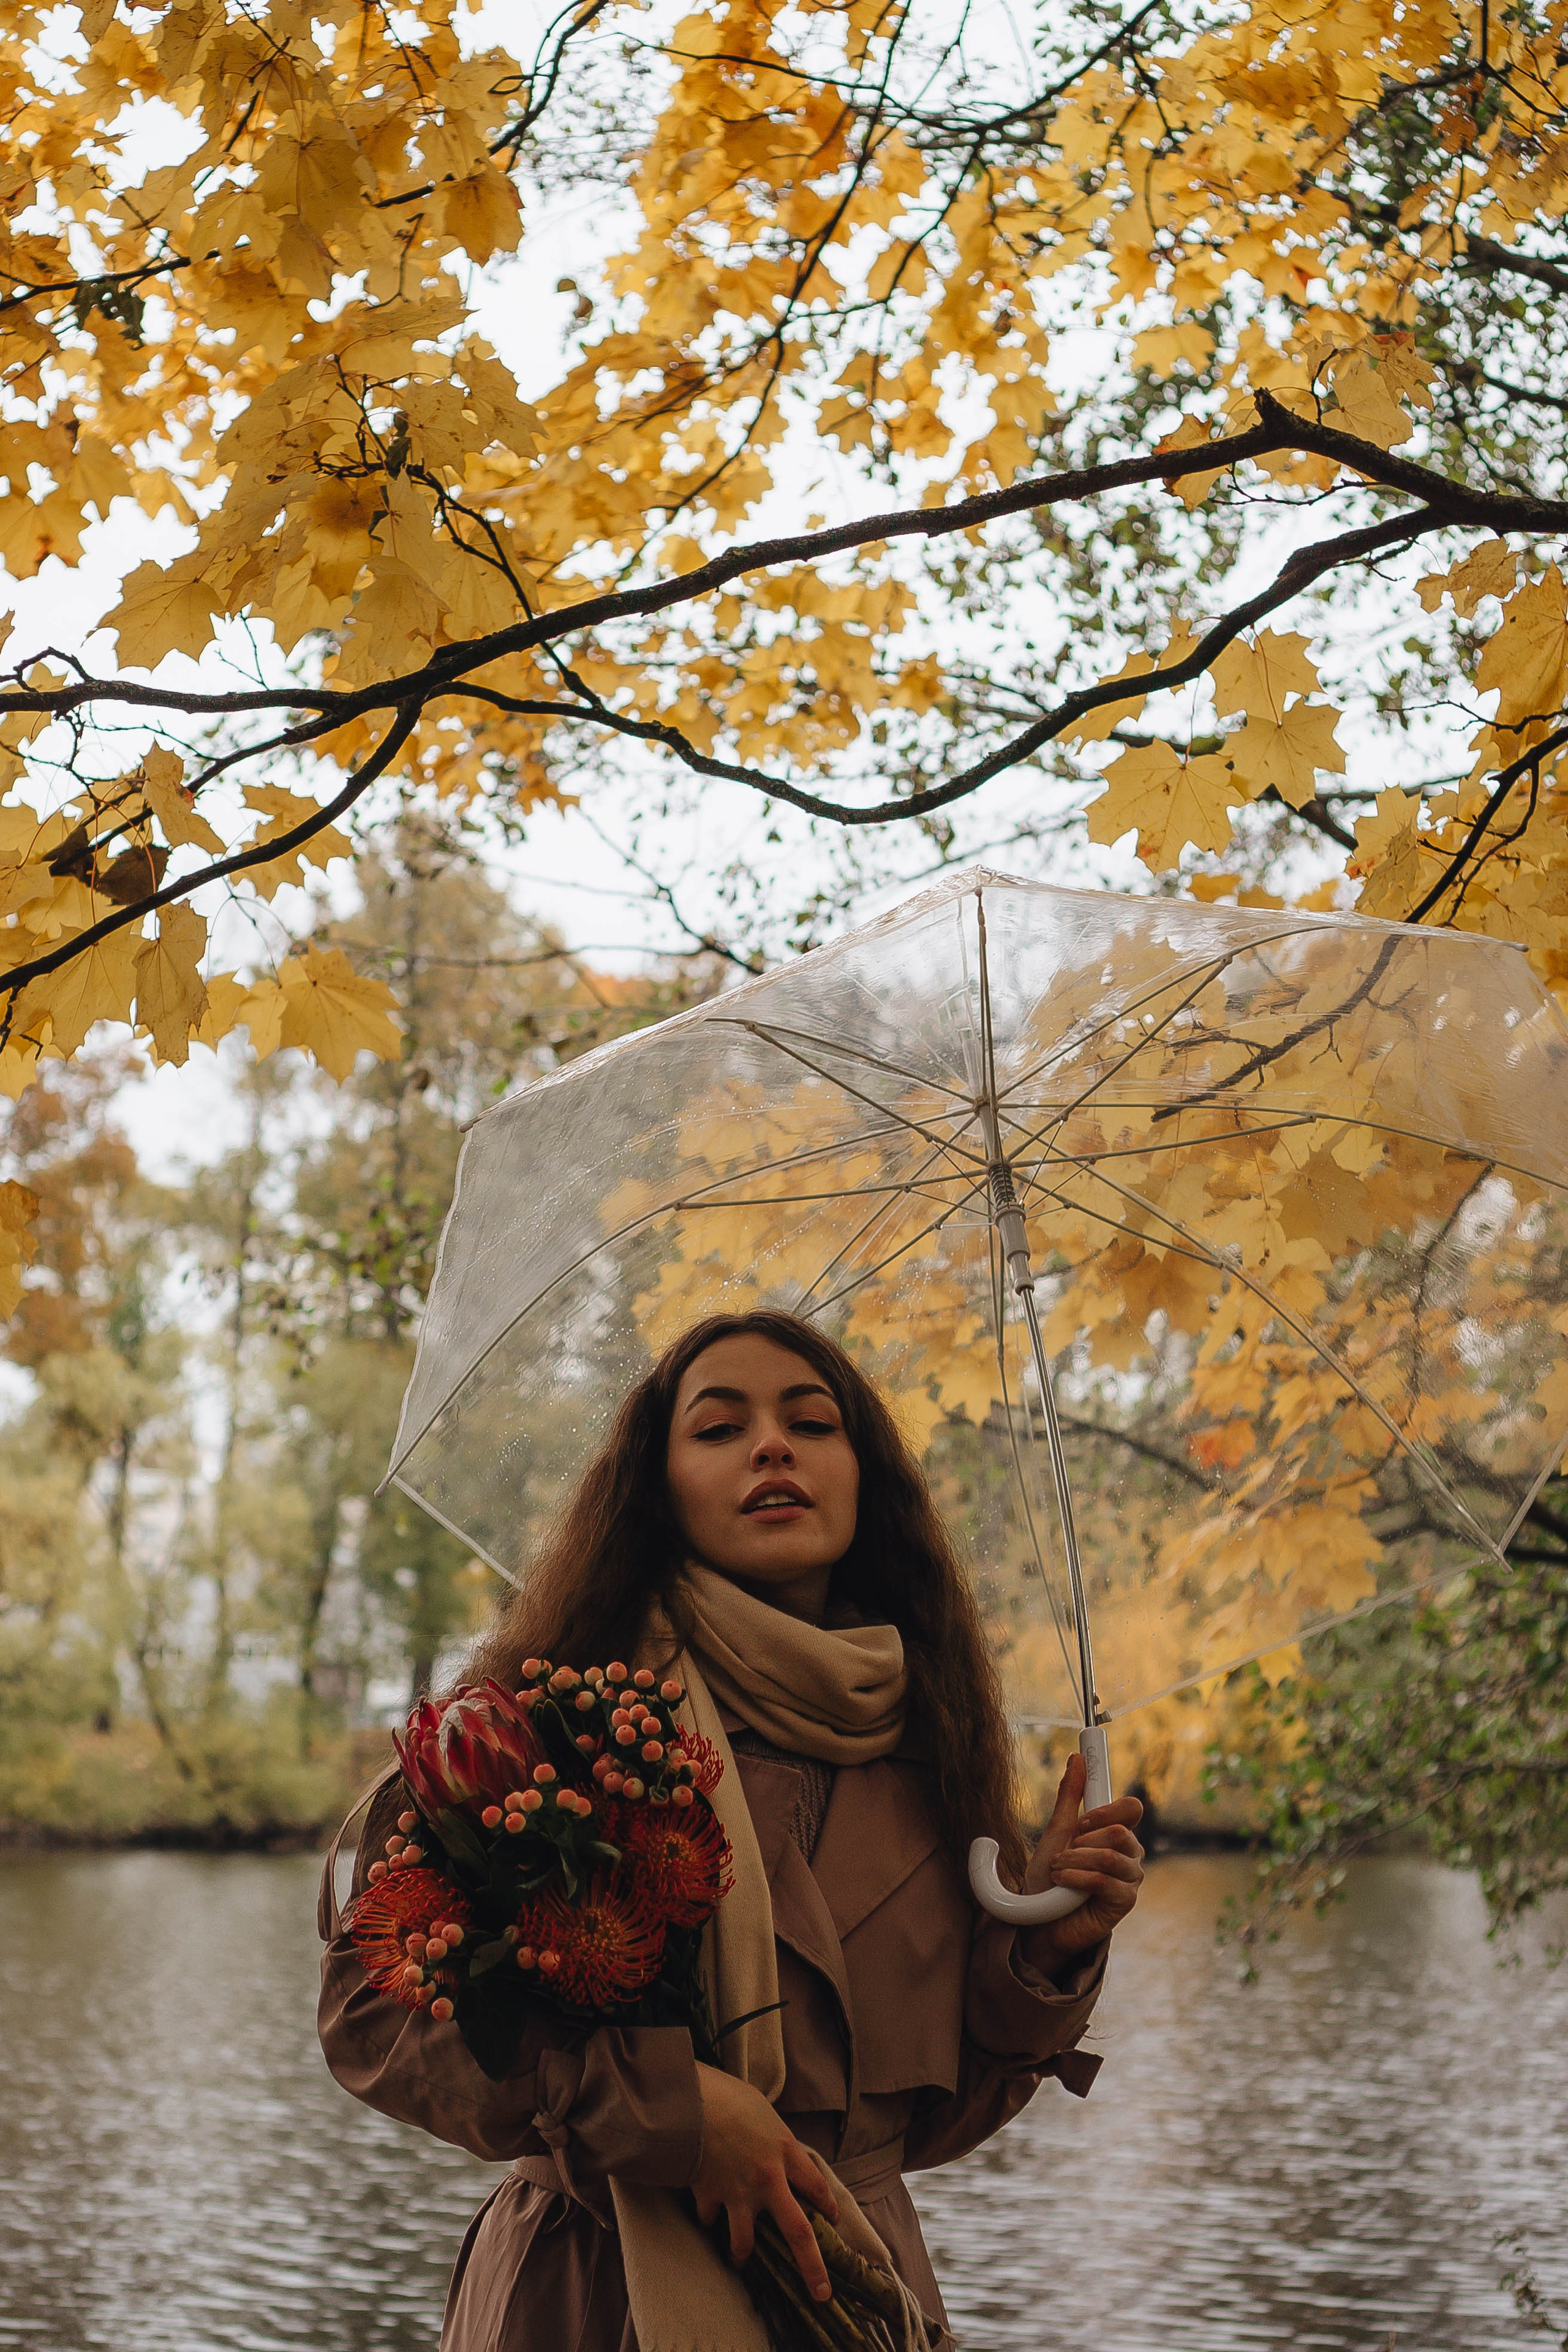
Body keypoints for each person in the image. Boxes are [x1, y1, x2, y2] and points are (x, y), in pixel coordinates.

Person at [318, 1310, 1144, 2350]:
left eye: (812, 1423)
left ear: (865, 1474)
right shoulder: (542, 1723)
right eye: (720, 1428)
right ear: (655, 1487)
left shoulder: (939, 1752)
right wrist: (675, 2115)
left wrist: (1046, 1954)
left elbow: (931, 2120)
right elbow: (371, 2019)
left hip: (855, 2298)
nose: (772, 1447)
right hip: (587, 2294)